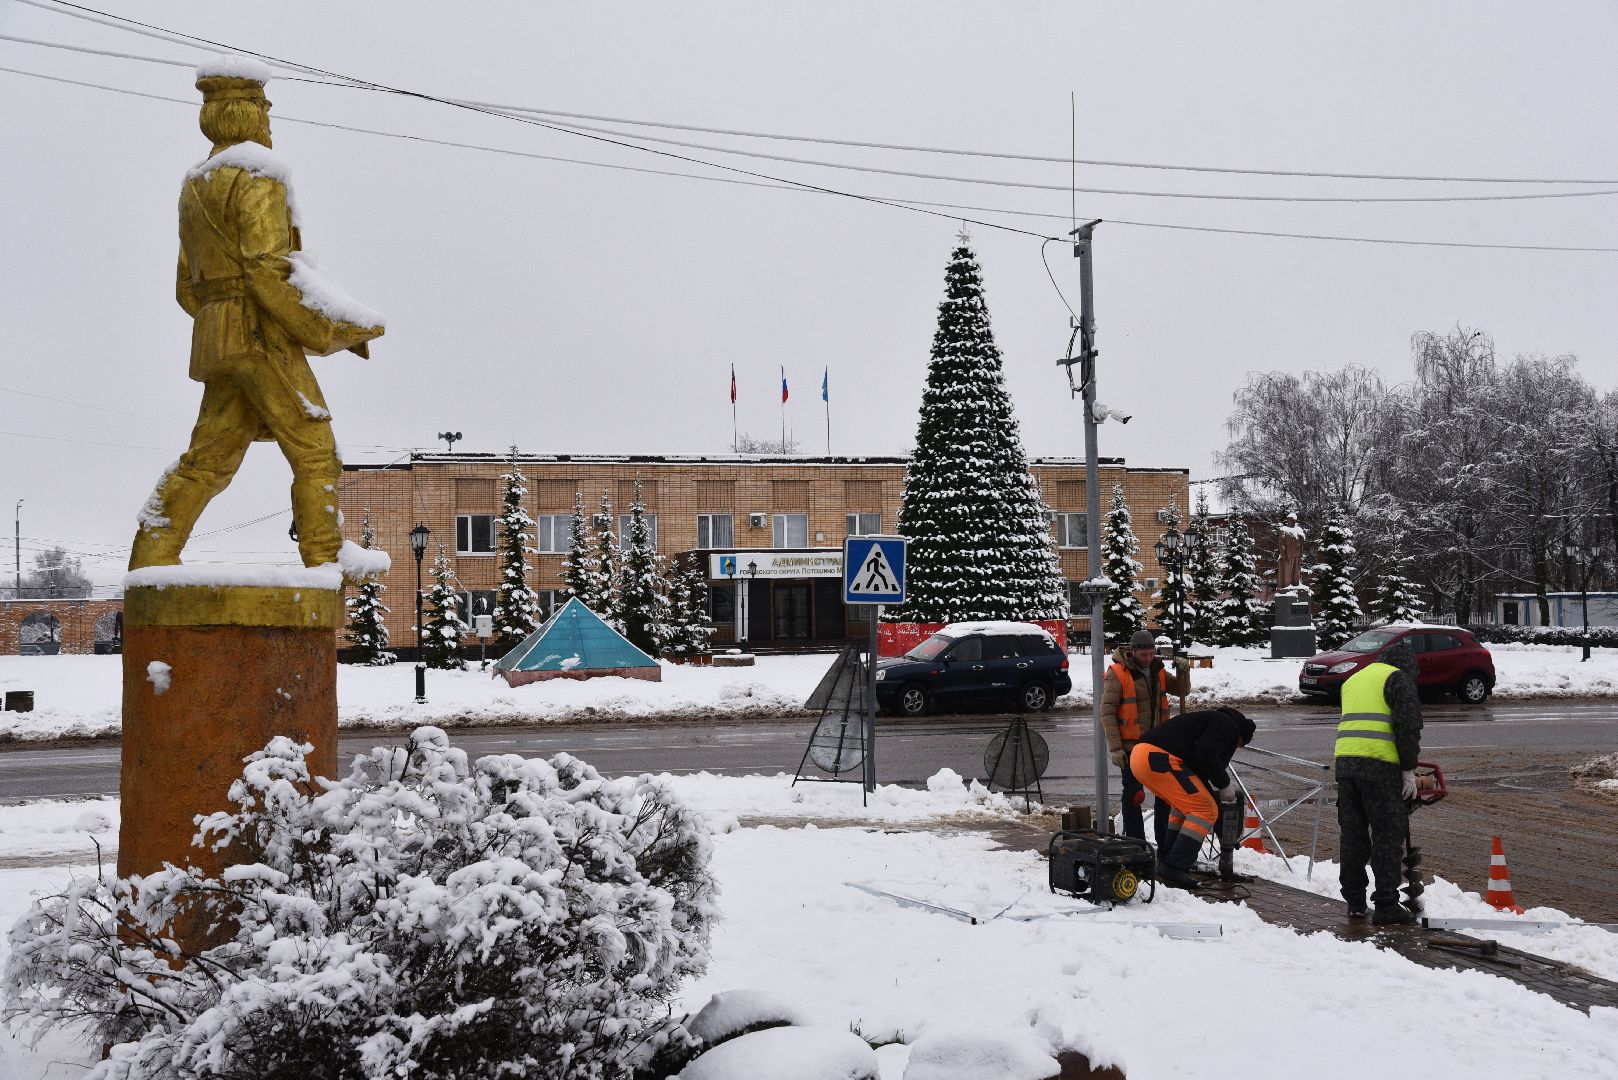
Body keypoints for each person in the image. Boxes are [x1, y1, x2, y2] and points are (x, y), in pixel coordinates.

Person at [129, 59, 384, 572]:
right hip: (258, 332)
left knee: (210, 459)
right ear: (250, 115)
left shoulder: (194, 184)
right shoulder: (259, 174)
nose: (269, 118)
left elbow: (187, 285)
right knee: (315, 449)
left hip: (216, 337)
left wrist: (217, 319)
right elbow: (269, 269)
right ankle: (324, 557)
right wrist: (333, 329)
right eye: (265, 108)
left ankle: (152, 554)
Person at [1335, 636, 1424, 924]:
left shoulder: (1354, 679)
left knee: (1353, 835)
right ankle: (1386, 904)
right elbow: (1407, 727)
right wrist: (1408, 769)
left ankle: (1355, 902)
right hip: (1380, 767)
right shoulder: (1398, 680)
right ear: (1407, 668)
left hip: (1346, 765)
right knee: (1387, 835)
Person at [1129, 706, 1256, 889]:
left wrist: (1213, 790)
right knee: (1206, 810)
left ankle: (1168, 859)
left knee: (1183, 807)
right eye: (1237, 745)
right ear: (1240, 736)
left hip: (1142, 756)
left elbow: (1199, 767)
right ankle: (1175, 866)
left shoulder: (1208, 720)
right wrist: (1224, 784)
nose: (1233, 748)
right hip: (1160, 759)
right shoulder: (1227, 725)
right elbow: (1206, 753)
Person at [1101, 629, 1191, 847]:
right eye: (1144, 655)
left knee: (1165, 795)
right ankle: (1137, 845)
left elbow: (1182, 690)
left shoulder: (1158, 670)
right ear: (1132, 652)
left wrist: (1184, 671)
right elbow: (1107, 712)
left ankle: (1165, 843)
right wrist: (1115, 748)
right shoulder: (1118, 673)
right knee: (1134, 795)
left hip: (1159, 744)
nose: (1148, 659)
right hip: (1132, 747)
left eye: (1152, 654)